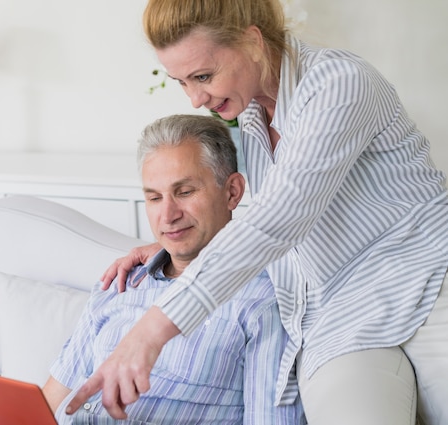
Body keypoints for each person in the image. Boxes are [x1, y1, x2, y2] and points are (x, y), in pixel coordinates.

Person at [66, 1, 448, 425]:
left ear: (251, 41)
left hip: (427, 277)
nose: (195, 98)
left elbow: (278, 220)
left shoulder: (339, 82)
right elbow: (270, 210)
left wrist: (150, 332)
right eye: (181, 82)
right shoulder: (250, 113)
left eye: (204, 76)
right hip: (340, 313)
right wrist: (172, 242)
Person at [43, 114, 306, 424]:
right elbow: (47, 402)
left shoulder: (263, 302)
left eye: (184, 192)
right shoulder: (121, 283)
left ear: (232, 191)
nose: (167, 215)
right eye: (154, 197)